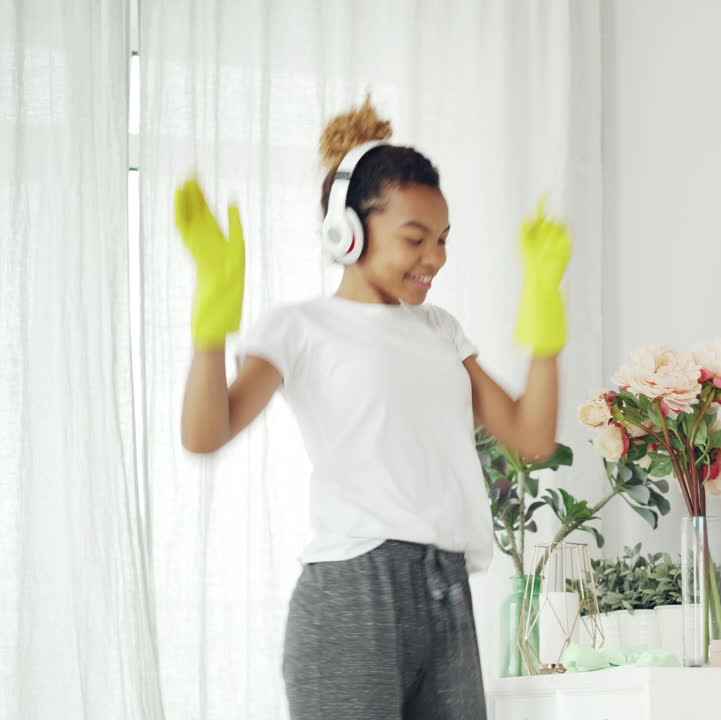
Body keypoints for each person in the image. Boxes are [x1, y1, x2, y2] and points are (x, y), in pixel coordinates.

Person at [175, 96, 571, 720]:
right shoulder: (302, 327)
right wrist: (213, 320)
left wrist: (546, 316)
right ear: (347, 231)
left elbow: (531, 438)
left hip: (447, 591)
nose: (435, 258)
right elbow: (205, 433)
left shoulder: (440, 329)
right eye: (415, 239)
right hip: (353, 592)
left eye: (442, 239)